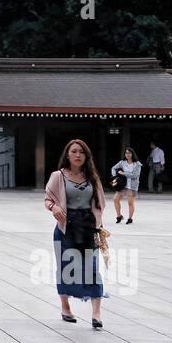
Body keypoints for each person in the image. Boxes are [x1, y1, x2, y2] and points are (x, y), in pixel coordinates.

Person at [44, 138, 107, 329]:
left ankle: (96, 314)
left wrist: (99, 227)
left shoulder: (92, 177)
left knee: (92, 268)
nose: (78, 155)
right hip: (66, 227)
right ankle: (65, 307)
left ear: (86, 155)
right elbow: (48, 199)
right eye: (74, 151)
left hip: (87, 226)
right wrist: (53, 207)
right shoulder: (58, 176)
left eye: (81, 152)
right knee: (65, 269)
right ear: (67, 154)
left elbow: (100, 203)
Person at [109, 147, 141, 225]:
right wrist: (114, 176)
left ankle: (130, 218)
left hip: (132, 186)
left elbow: (135, 175)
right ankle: (119, 216)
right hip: (122, 185)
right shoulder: (122, 162)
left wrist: (124, 173)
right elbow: (113, 168)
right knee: (115, 199)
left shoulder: (137, 164)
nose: (128, 154)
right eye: (126, 153)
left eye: (129, 153)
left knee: (130, 203)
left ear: (132, 154)